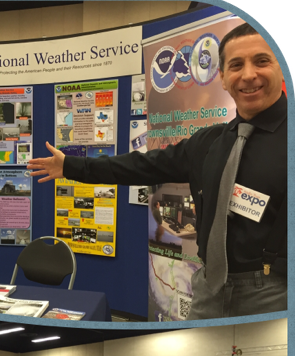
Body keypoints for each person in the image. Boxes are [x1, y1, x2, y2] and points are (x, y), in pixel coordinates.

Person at [28, 23, 286, 319]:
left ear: (281, 70)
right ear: (224, 79)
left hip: (272, 291)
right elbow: (143, 166)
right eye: (236, 65)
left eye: (262, 61)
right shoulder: (210, 142)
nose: (249, 74)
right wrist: (71, 166)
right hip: (208, 288)